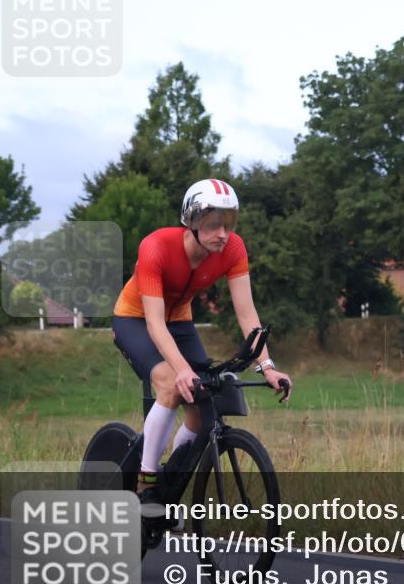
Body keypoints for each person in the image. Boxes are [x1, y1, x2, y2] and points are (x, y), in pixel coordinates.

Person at [110, 178, 293, 510]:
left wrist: (266, 366)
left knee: (201, 404)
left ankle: (170, 481)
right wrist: (180, 370)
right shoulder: (156, 247)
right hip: (135, 318)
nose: (223, 233)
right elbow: (153, 322)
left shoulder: (233, 249)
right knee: (170, 383)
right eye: (212, 225)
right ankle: (144, 485)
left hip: (178, 320)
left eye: (228, 223)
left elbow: (247, 314)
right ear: (191, 223)